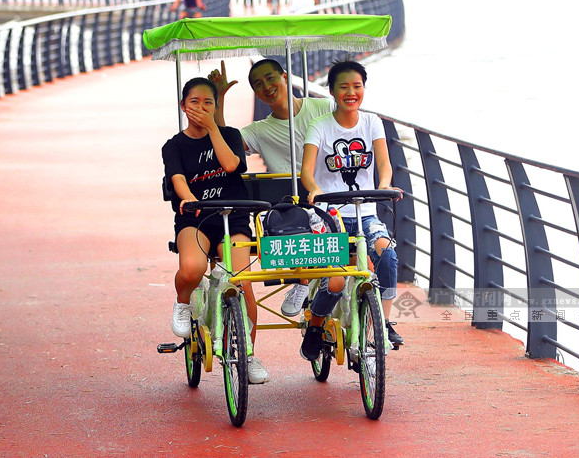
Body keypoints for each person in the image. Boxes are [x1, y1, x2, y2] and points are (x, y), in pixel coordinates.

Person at [162, 77, 270, 384]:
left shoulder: (230, 135)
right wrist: (190, 199)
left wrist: (212, 129)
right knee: (193, 268)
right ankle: (183, 303)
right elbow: (178, 179)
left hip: (233, 217)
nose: (200, 108)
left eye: (208, 102)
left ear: (216, 107)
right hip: (195, 218)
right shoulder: (174, 146)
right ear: (183, 106)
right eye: (194, 102)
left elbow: (232, 165)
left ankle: (247, 354)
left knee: (241, 279)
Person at [210, 58, 333, 317]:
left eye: (270, 78)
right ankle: (302, 281)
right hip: (290, 207)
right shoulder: (259, 130)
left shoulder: (323, 108)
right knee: (293, 220)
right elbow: (225, 144)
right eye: (258, 84)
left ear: (285, 77)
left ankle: (376, 316)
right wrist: (219, 98)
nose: (266, 86)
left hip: (329, 195)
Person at [299, 60, 405, 357]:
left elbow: (384, 165)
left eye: (357, 86)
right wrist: (315, 189)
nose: (351, 92)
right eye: (344, 87)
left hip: (365, 211)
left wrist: (384, 185)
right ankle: (316, 326)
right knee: (335, 281)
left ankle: (384, 321)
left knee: (387, 252)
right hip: (329, 214)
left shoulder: (372, 122)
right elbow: (307, 171)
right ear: (331, 90)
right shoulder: (319, 126)